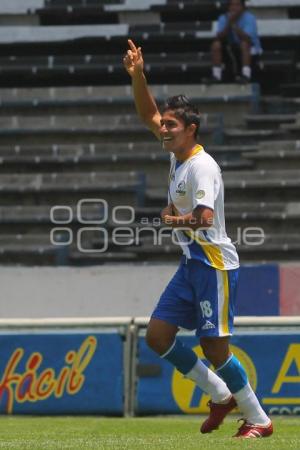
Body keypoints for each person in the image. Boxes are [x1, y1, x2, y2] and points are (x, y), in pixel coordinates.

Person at [123, 39, 273, 438]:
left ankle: (259, 419)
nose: (163, 129)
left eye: (171, 126)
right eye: (165, 125)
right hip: (191, 265)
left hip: (214, 264)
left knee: (216, 349)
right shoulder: (178, 154)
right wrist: (138, 75)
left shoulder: (201, 167)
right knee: (157, 336)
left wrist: (172, 220)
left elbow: (204, 218)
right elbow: (148, 112)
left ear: (191, 130)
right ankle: (221, 395)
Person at [210, 0, 262, 83]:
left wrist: (234, 25)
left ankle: (246, 75)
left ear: (243, 7)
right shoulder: (223, 17)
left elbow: (247, 39)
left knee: (244, 44)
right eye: (232, 5)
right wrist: (228, 23)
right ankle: (216, 76)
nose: (234, 8)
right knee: (216, 45)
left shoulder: (249, 18)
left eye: (238, 5)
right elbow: (219, 37)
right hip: (231, 49)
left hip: (250, 49)